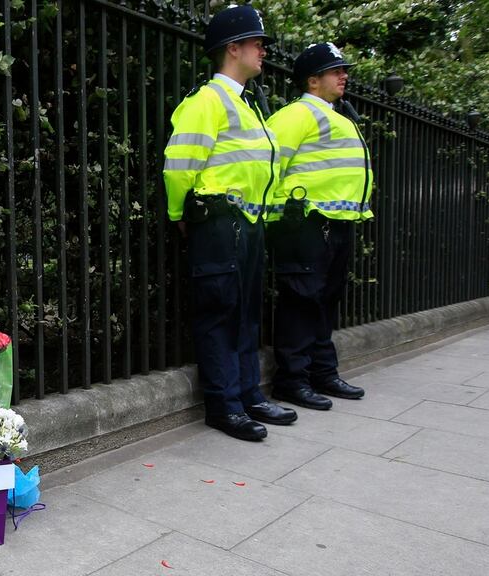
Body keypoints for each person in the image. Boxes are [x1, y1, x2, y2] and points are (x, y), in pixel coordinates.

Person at [162, 4, 295, 441]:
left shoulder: (251, 104)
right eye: (257, 43)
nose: (263, 51)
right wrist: (180, 214)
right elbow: (179, 165)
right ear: (232, 48)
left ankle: (247, 395)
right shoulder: (207, 100)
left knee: (246, 313)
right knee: (220, 312)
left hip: (247, 223)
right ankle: (224, 405)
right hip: (218, 221)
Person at [265, 42, 373, 409]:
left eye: (344, 70)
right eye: (336, 71)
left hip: (336, 222)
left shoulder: (339, 115)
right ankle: (292, 381)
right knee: (301, 300)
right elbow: (268, 166)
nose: (344, 76)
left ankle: (322, 373)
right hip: (304, 224)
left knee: (326, 300)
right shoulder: (296, 115)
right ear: (313, 81)